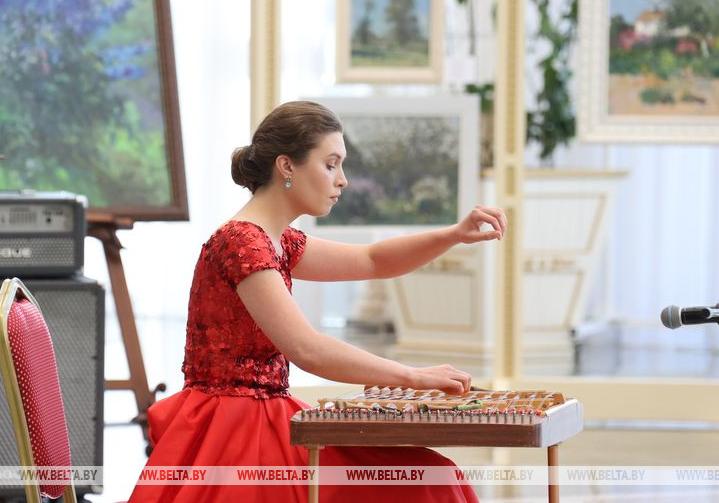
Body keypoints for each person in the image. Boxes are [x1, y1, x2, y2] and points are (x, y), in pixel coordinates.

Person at [128, 101, 506, 503]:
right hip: (237, 430)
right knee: (427, 481)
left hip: (266, 418)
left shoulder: (276, 240)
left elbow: (374, 260)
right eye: (331, 164)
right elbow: (306, 349)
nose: (342, 180)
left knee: (430, 477)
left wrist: (454, 234)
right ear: (286, 166)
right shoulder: (242, 242)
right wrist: (412, 376)